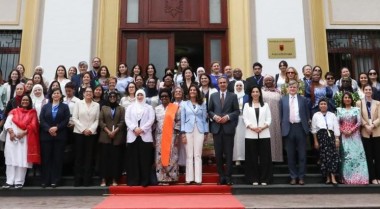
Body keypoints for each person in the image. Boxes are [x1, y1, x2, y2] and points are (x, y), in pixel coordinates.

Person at [2, 95, 40, 189]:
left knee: (22, 159)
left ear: (29, 102)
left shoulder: (32, 113)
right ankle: (9, 181)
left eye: (27, 100)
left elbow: (34, 125)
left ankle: (19, 182)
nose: (25, 101)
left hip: (25, 139)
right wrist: (11, 132)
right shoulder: (14, 111)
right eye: (23, 100)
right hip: (11, 138)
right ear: (20, 101)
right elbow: (7, 123)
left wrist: (24, 133)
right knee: (10, 159)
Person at [208, 76, 240, 185]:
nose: (222, 84)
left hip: (228, 129)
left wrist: (228, 117)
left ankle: (228, 176)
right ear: (218, 84)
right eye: (220, 82)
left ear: (227, 84)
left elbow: (236, 111)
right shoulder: (213, 96)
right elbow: (209, 110)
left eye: (224, 82)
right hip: (217, 129)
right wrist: (214, 117)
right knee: (218, 154)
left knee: (229, 154)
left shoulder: (233, 96)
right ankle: (221, 176)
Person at [280, 80, 310, 185]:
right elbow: (281, 115)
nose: (292, 89)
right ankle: (293, 176)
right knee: (290, 155)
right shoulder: (282, 100)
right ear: (287, 88)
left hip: (300, 127)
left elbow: (307, 114)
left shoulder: (303, 99)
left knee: (302, 155)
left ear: (298, 88)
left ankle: (301, 177)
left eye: (294, 87)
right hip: (288, 129)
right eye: (290, 87)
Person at [39, 88, 70, 188]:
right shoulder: (45, 107)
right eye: (54, 93)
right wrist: (49, 129)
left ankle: (55, 180)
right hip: (46, 136)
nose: (56, 95)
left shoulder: (65, 107)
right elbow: (42, 119)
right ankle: (45, 180)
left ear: (61, 95)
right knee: (46, 159)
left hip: (59, 136)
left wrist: (56, 128)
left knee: (57, 159)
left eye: (58, 93)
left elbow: (66, 120)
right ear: (51, 95)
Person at [243, 86, 272, 185]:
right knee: (252, 158)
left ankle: (265, 179)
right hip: (251, 134)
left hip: (264, 134)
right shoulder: (247, 105)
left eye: (257, 91)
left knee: (265, 158)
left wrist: (262, 128)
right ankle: (253, 179)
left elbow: (269, 119)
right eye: (253, 92)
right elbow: (245, 119)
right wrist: (252, 128)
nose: (255, 93)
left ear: (260, 93)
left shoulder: (266, 105)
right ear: (251, 94)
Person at [337, 92, 368, 184]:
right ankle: (346, 179)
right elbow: (337, 123)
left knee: (358, 156)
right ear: (343, 99)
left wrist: (351, 131)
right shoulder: (339, 110)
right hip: (344, 136)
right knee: (347, 157)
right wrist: (343, 131)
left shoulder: (356, 109)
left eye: (349, 97)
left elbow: (359, 122)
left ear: (351, 99)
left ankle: (360, 179)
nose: (347, 99)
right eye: (345, 97)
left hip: (355, 136)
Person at [125, 89, 155, 186]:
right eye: (138, 95)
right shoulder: (130, 107)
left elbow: (151, 120)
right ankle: (134, 181)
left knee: (145, 159)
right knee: (133, 159)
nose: (139, 97)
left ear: (144, 96)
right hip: (132, 136)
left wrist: (141, 129)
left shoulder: (149, 108)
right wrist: (134, 128)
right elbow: (127, 119)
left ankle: (145, 181)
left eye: (141, 95)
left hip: (145, 136)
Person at [72, 86, 100, 186]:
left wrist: (91, 129)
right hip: (79, 133)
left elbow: (97, 119)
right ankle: (77, 180)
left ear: (93, 94)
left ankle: (87, 181)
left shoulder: (96, 105)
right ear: (83, 93)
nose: (88, 93)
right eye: (86, 91)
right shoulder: (78, 103)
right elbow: (75, 118)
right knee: (79, 157)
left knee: (89, 157)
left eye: (90, 92)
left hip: (91, 134)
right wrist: (83, 129)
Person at [181, 85, 208, 185]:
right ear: (188, 92)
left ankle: (198, 179)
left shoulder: (203, 103)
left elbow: (205, 119)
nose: (192, 91)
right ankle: (189, 178)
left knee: (197, 154)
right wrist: (183, 133)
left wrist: (206, 132)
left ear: (197, 92)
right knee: (189, 154)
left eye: (194, 90)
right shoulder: (184, 104)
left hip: (200, 130)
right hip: (188, 130)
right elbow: (183, 119)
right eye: (191, 90)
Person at [98, 91, 125, 187]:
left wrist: (115, 131)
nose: (112, 98)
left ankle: (114, 179)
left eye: (114, 96)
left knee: (116, 160)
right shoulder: (104, 108)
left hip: (117, 137)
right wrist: (108, 131)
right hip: (105, 137)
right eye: (111, 96)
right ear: (108, 97)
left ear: (117, 97)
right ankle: (104, 179)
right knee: (104, 159)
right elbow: (100, 121)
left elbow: (122, 122)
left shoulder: (121, 108)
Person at [311, 98, 340, 185]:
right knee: (324, 157)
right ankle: (327, 177)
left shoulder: (332, 115)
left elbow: (336, 127)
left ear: (327, 105)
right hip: (321, 137)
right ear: (319, 106)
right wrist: (316, 141)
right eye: (321, 104)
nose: (323, 105)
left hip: (331, 137)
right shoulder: (316, 115)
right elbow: (314, 130)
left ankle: (333, 176)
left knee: (332, 156)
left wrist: (337, 139)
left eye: (324, 104)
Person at [155, 88, 181, 185]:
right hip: (159, 137)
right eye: (162, 96)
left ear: (170, 97)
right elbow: (154, 124)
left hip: (172, 136)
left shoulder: (175, 107)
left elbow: (179, 121)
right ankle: (161, 178)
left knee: (171, 156)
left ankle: (171, 178)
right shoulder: (157, 109)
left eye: (166, 96)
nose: (164, 98)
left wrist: (177, 135)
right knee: (160, 157)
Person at [356, 84, 380, 184]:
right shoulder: (359, 103)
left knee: (378, 155)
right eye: (366, 89)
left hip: (376, 131)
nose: (368, 91)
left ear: (372, 91)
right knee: (368, 155)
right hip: (365, 131)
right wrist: (366, 126)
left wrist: (373, 125)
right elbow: (359, 116)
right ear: (363, 91)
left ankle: (379, 176)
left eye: (370, 89)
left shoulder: (378, 103)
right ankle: (372, 177)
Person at [261, 75, 283, 162]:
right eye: (267, 80)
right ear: (264, 81)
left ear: (273, 81)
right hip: (264, 119)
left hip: (276, 118)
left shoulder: (278, 92)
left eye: (270, 80)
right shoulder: (261, 91)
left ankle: (276, 158)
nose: (268, 81)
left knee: (276, 136)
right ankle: (266, 158)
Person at [232, 81, 248, 166]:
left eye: (240, 85)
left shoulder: (247, 96)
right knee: (236, 139)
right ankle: (237, 158)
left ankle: (245, 157)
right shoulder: (231, 96)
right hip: (234, 120)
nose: (239, 87)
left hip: (244, 119)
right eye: (237, 85)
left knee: (243, 139)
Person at [173, 87, 186, 170]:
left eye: (179, 91)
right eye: (176, 92)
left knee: (184, 149)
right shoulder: (171, 104)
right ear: (173, 94)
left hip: (185, 129)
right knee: (175, 148)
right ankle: (176, 166)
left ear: (182, 93)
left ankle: (184, 167)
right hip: (174, 129)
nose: (178, 93)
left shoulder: (186, 103)